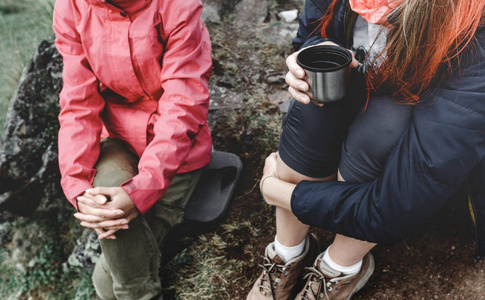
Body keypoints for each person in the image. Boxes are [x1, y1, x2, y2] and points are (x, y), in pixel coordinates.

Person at [247, 0, 485, 299]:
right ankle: (287, 253)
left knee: (382, 129)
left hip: (410, 141)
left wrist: (281, 192)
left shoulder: (476, 39)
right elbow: (311, 33)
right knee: (313, 95)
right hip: (357, 98)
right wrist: (309, 57)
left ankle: (338, 269)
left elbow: (393, 208)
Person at [52, 0, 212, 298]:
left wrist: (142, 190)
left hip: (177, 154)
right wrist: (76, 185)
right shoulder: (71, 7)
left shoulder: (178, 6)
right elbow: (78, 105)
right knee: (105, 201)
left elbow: (183, 104)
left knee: (105, 284)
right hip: (117, 139)